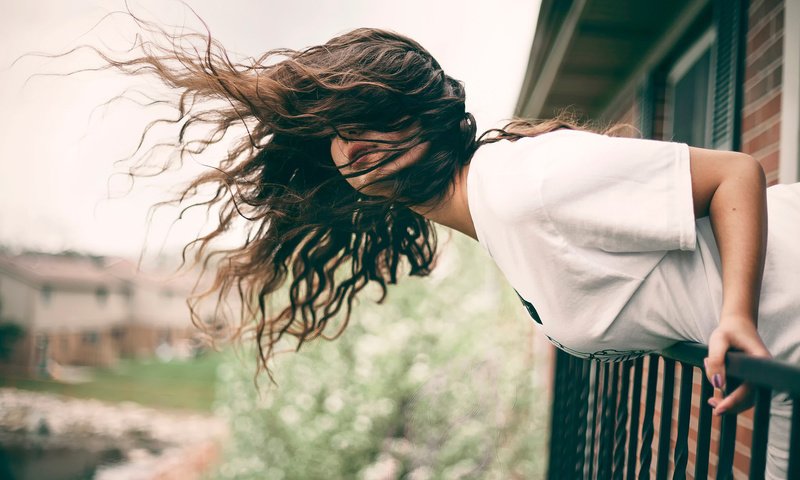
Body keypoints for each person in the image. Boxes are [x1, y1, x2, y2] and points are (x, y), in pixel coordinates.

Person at [90, 23, 797, 478]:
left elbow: (734, 174)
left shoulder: (525, 184)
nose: (350, 146)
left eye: (370, 121)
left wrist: (731, 315)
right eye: (337, 131)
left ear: (430, 119)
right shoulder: (496, 208)